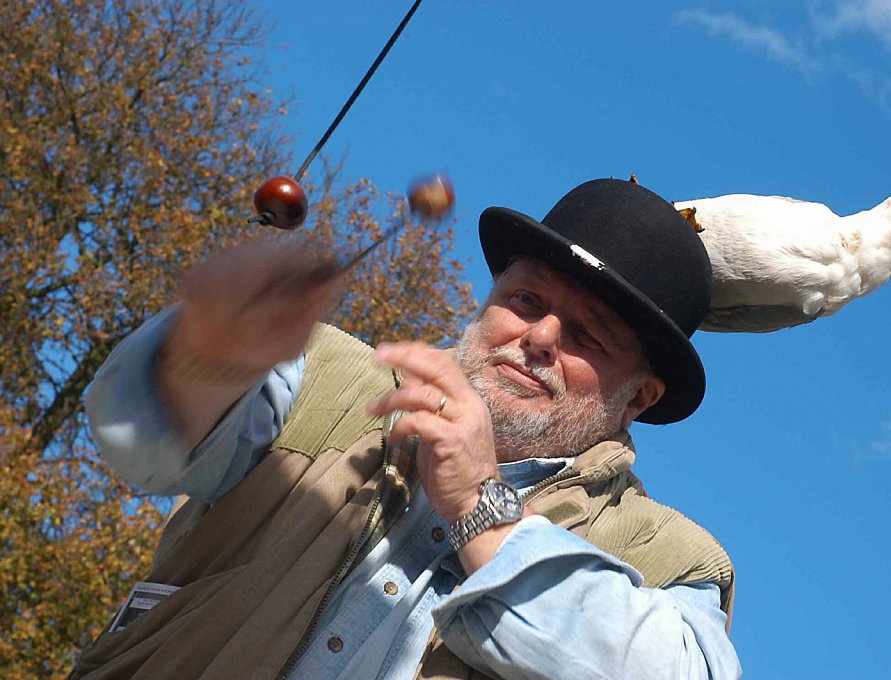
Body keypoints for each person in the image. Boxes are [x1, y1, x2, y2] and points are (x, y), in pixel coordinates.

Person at [74, 178, 742, 679]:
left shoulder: (669, 558)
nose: (538, 337)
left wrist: (481, 505)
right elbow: (141, 433)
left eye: (587, 335)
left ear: (639, 398)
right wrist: (206, 348)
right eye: (526, 300)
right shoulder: (321, 372)